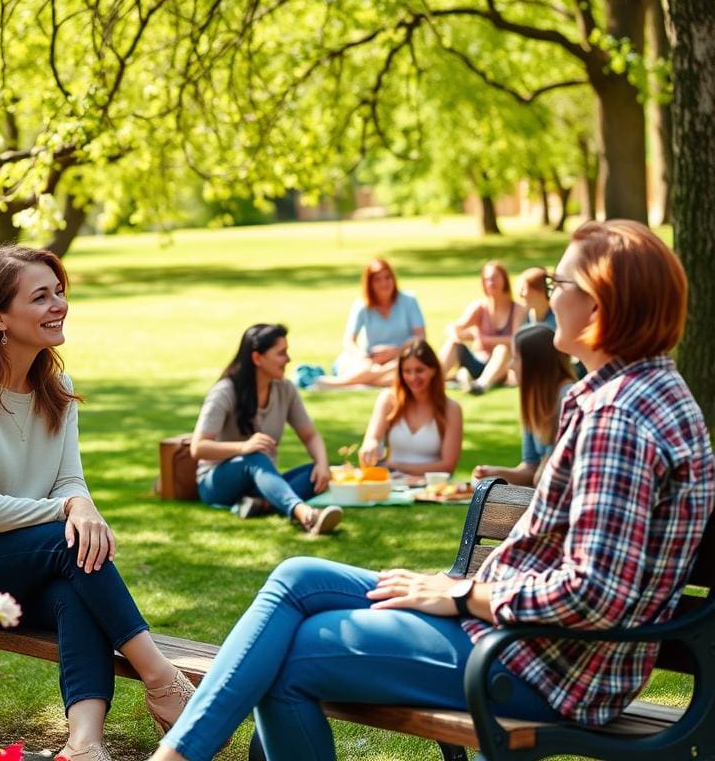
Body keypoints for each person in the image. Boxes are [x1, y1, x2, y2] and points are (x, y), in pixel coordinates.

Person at [146, 220, 715, 761]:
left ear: (598, 304)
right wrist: (462, 587)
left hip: (542, 666)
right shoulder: (635, 393)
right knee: (296, 576)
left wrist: (465, 598)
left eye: (557, 284)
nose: (546, 294)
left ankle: (177, 754)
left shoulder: (620, 419)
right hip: (520, 634)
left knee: (292, 657)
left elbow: (594, 594)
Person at [0, 247, 194, 761]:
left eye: (59, 292)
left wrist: (79, 503)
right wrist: (70, 511)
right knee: (68, 540)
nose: (59, 305)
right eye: (40, 297)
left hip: (22, 557)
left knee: (75, 586)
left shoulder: (56, 386)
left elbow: (68, 479)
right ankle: (162, 678)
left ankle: (84, 744)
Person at [191, 323, 342, 535]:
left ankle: (260, 504)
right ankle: (306, 515)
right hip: (217, 484)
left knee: (316, 473)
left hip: (260, 480)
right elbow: (198, 448)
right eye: (281, 353)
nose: (288, 359)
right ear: (257, 358)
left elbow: (310, 436)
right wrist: (244, 447)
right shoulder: (225, 391)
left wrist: (323, 465)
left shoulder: (285, 389)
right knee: (255, 456)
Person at [472, 325, 574, 486]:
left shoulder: (568, 399)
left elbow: (551, 473)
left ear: (534, 363)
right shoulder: (534, 400)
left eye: (516, 358)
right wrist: (497, 473)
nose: (511, 366)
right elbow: (531, 468)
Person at [357, 339, 462, 477]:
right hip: (393, 484)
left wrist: (397, 466)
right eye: (407, 371)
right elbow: (373, 438)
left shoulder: (451, 409)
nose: (413, 377)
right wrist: (371, 446)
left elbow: (447, 466)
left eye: (419, 370)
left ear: (433, 371)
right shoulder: (389, 399)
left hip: (431, 487)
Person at [316, 259, 425, 388]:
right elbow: (349, 341)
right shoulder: (362, 305)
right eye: (378, 279)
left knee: (404, 367)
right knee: (363, 367)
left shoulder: (409, 301)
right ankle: (369, 378)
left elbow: (420, 337)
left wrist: (396, 352)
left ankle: (340, 383)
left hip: (400, 357)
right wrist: (363, 356)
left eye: (387, 277)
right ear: (370, 283)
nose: (384, 283)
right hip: (370, 360)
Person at [439, 260, 526, 395]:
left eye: (495, 278)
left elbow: (516, 339)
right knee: (453, 344)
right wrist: (461, 335)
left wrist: (484, 339)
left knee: (502, 349)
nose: (491, 283)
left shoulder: (517, 309)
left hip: (502, 366)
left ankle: (480, 386)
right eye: (487, 279)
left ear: (504, 280)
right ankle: (435, 380)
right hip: (478, 360)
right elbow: (454, 327)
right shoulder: (479, 307)